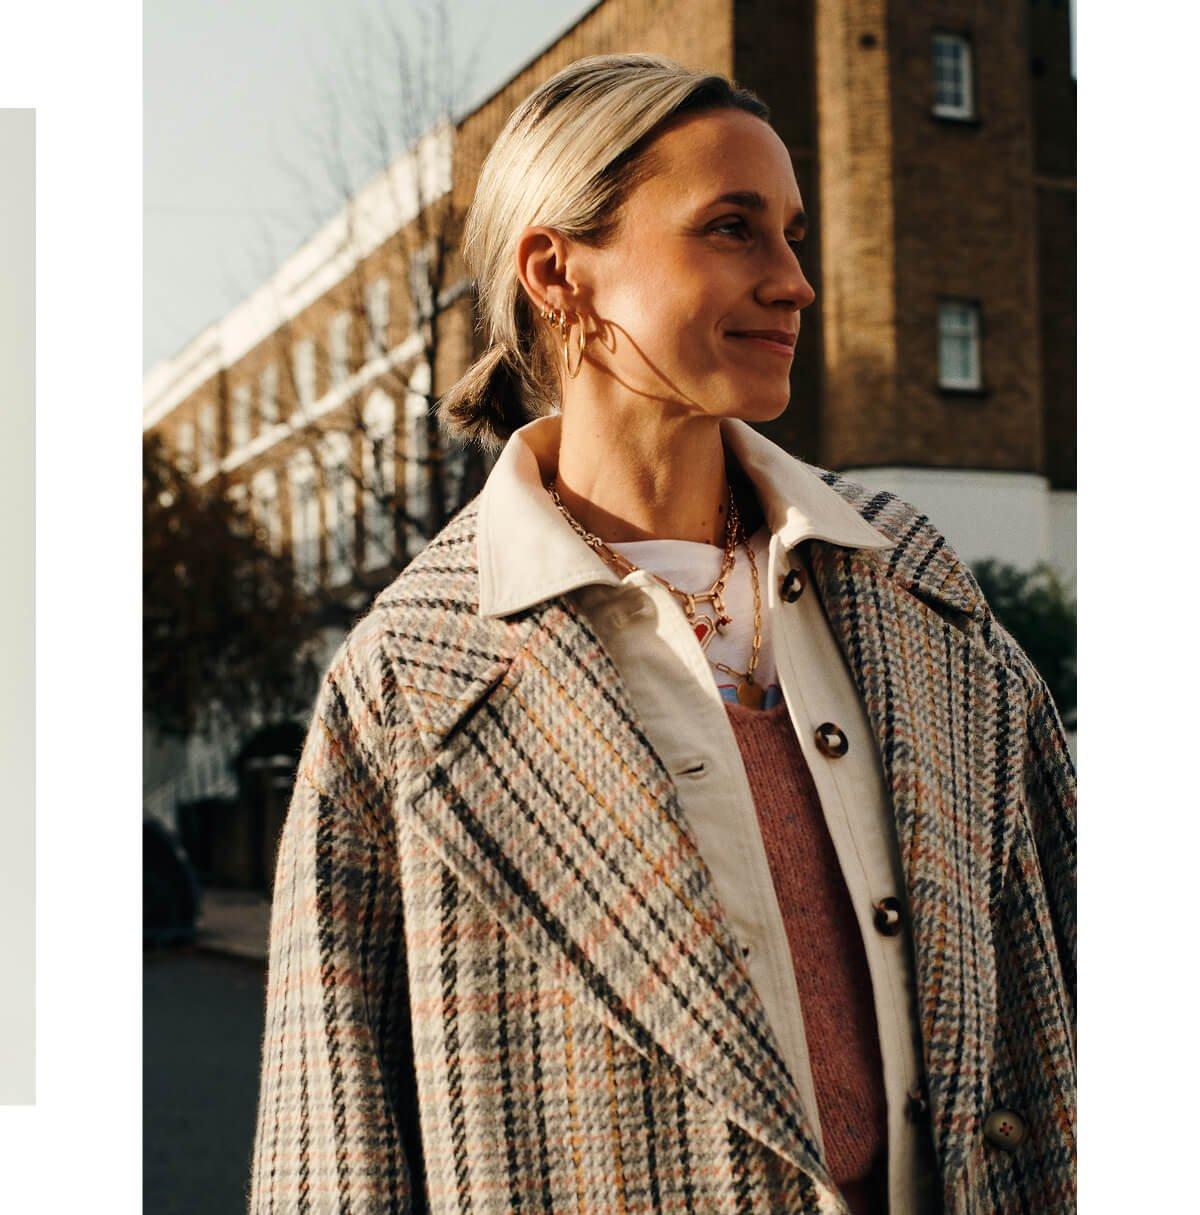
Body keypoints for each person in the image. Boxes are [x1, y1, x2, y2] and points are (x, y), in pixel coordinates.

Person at [248, 55, 1075, 1213]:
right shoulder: (412, 687)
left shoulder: (918, 594)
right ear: (557, 272)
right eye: (733, 229)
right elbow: (330, 1145)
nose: (795, 282)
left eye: (792, 233)